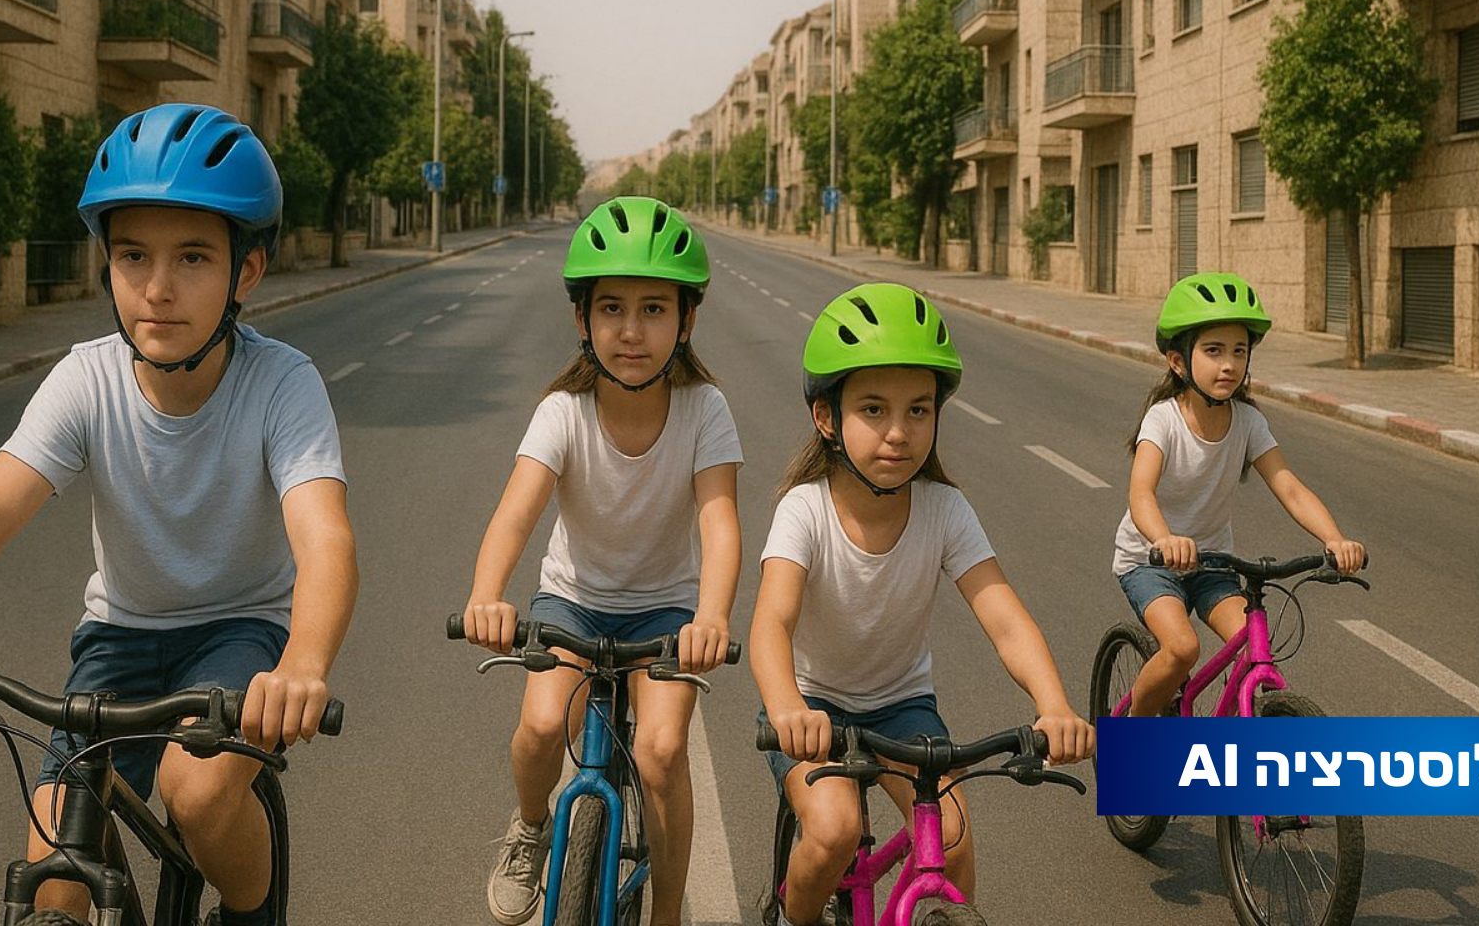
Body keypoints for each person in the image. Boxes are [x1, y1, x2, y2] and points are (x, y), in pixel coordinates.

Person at [0, 104, 358, 926]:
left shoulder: (281, 384)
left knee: (196, 793)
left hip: (241, 635)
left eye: (192, 257)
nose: (156, 287)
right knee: (54, 868)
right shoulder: (86, 379)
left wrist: (301, 662)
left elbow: (325, 536)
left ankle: (251, 908)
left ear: (246, 273)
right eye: (132, 255)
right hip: (116, 642)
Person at [751, 282, 1093, 926]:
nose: (899, 433)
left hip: (903, 708)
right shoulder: (805, 509)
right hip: (812, 705)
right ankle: (791, 916)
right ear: (827, 418)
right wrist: (788, 709)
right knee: (832, 830)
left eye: (919, 410)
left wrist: (1054, 705)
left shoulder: (945, 509)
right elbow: (773, 621)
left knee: (955, 838)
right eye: (874, 409)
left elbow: (1005, 617)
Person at [459, 197, 743, 926]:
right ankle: (529, 830)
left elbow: (720, 523)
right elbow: (516, 512)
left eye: (654, 309)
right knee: (540, 726)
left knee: (660, 750)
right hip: (572, 601)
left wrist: (710, 617)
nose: (630, 329)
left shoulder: (704, 408)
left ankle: (669, 912)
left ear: (685, 321)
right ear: (583, 320)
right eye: (611, 307)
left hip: (667, 610)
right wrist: (488, 594)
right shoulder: (564, 410)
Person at [1116, 271, 1366, 719]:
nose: (1228, 364)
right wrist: (1164, 540)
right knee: (1182, 648)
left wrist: (1334, 538)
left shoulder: (1248, 422)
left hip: (1213, 562)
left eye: (1239, 351)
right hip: (1149, 561)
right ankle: (1132, 742)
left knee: (1253, 652)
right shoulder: (1164, 420)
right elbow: (1141, 494)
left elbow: (1288, 485)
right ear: (1178, 361)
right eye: (1213, 351)